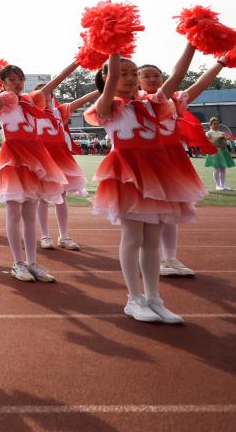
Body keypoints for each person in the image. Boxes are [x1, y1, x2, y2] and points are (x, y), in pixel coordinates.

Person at [86, 52, 203, 323]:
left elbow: (178, 76)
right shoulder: (107, 106)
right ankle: (134, 299)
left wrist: (192, 42)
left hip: (158, 173)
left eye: (132, 73)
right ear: (107, 77)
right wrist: (113, 48)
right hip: (127, 174)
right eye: (122, 73)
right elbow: (111, 80)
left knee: (152, 241)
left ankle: (154, 299)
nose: (129, 78)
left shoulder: (151, 104)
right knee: (133, 237)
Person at [137, 43, 228, 278]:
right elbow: (179, 76)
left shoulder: (174, 100)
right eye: (146, 76)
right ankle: (153, 259)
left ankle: (170, 258)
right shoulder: (140, 101)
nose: (152, 79)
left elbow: (200, 85)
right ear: (137, 82)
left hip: (173, 160)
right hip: (148, 160)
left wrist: (220, 63)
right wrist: (193, 43)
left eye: (156, 75)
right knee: (151, 214)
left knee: (171, 213)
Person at [0, 64, 66, 284]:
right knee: (14, 213)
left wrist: (78, 61)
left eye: (20, 79)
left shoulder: (30, 101)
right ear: (3, 83)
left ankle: (32, 262)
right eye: (12, 80)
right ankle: (18, 263)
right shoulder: (2, 102)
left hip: (35, 158)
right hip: (14, 159)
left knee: (30, 214)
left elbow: (52, 84)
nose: (17, 83)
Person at [30, 60, 100, 251]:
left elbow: (82, 100)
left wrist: (103, 87)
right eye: (41, 94)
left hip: (61, 159)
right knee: (42, 198)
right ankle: (45, 236)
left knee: (62, 196)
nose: (46, 97)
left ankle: (64, 236)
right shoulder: (31, 114)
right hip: (42, 160)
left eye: (49, 94)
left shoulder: (58, 112)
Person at [205, 117, 233, 191]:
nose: (216, 125)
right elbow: (208, 143)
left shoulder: (221, 133)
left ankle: (223, 185)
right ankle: (217, 185)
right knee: (217, 168)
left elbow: (225, 144)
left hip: (223, 151)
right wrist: (218, 139)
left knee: (223, 168)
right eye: (214, 124)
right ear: (210, 125)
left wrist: (224, 141)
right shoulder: (208, 133)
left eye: (217, 124)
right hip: (214, 152)